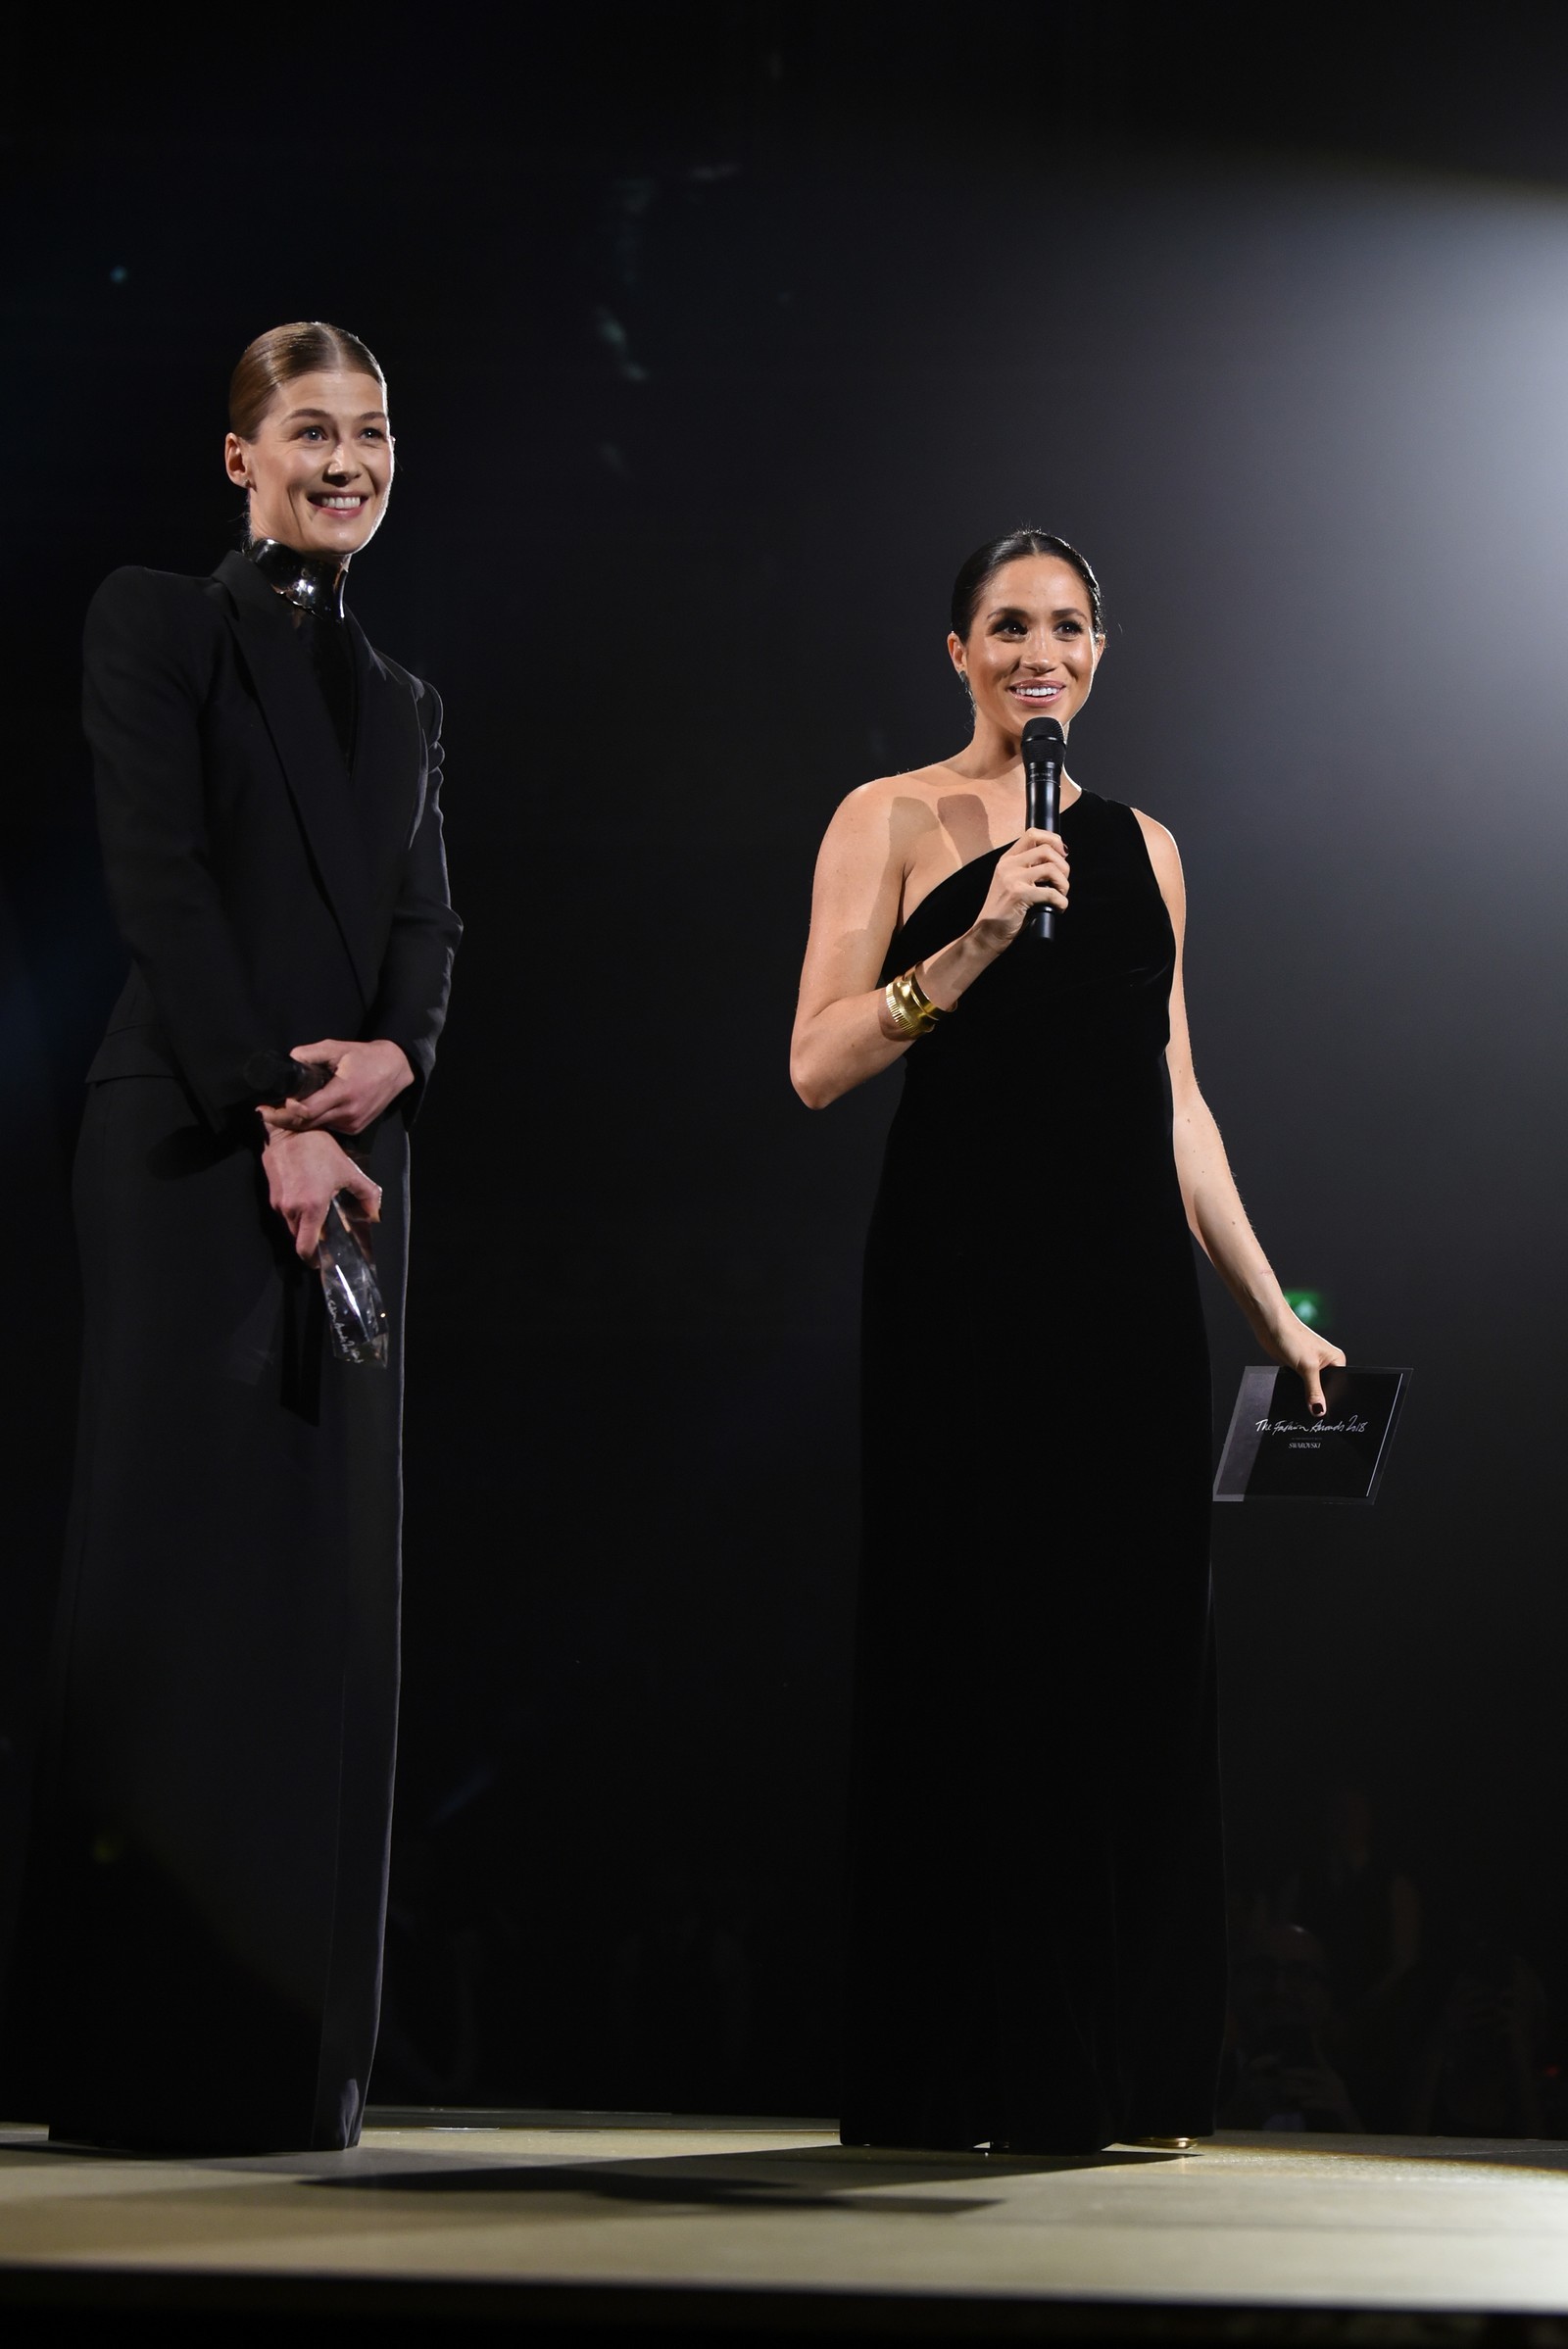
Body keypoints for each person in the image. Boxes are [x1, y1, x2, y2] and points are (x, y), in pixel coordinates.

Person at [791, 528, 1344, 2153]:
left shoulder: (1147, 848)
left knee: (1128, 1664)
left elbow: (1177, 1099)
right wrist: (966, 948)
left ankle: (1111, 2069)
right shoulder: (889, 816)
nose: (1042, 650)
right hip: (961, 1293)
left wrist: (1272, 1306)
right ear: (957, 650)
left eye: (1070, 625)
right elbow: (816, 1061)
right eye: (1010, 624)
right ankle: (955, 2068)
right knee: (974, 1652)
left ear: (1100, 653)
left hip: (1123, 1307)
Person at [14, 320, 460, 2153]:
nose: (346, 460)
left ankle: (298, 2059)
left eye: (372, 432)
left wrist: (397, 1059)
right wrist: (273, 1113)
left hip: (357, 1165)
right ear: (240, 458)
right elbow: (160, 878)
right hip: (199, 1151)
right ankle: (141, 2056)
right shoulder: (156, 622)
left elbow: (430, 924)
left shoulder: (408, 697)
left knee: (330, 1591)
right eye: (311, 430)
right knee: (182, 1575)